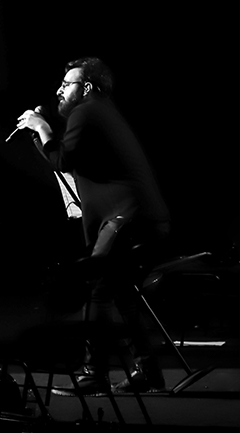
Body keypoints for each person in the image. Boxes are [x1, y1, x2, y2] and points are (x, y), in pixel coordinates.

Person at [15, 57, 171, 394]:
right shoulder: (100, 113)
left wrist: (41, 126)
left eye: (67, 84)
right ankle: (147, 371)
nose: (59, 89)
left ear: (86, 87)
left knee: (99, 288)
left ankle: (94, 373)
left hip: (127, 218)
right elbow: (69, 161)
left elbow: (63, 159)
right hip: (143, 218)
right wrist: (42, 131)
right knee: (120, 292)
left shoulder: (87, 111)